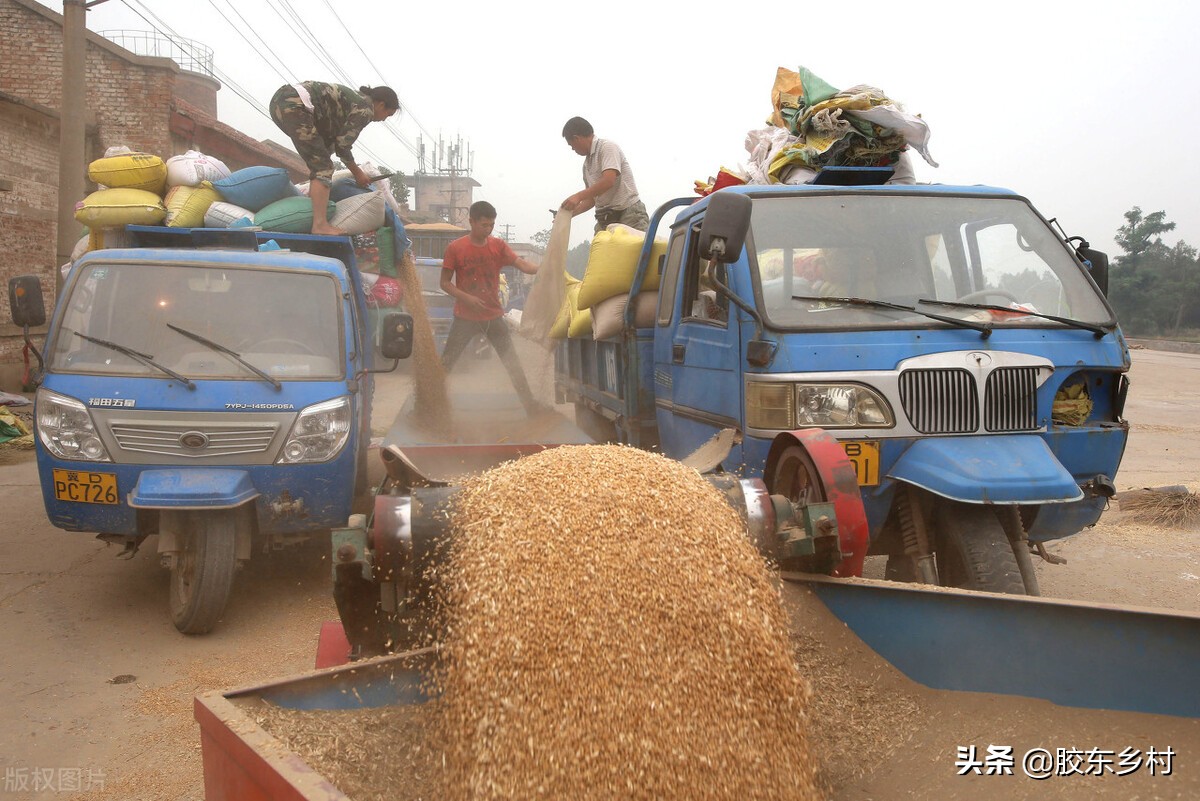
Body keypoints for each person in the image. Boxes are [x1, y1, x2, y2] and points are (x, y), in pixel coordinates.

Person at [440, 201, 550, 417]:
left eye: (491, 225)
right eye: (484, 225)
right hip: (465, 317)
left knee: (513, 365)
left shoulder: (498, 246)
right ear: (471, 221)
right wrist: (467, 298)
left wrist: (545, 268)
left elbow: (522, 264)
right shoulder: (455, 248)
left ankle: (531, 408)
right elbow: (444, 283)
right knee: (445, 365)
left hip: (493, 316)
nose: (488, 229)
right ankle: (428, 407)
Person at [269, 82, 399, 235]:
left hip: (282, 102)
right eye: (387, 115)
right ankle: (320, 225)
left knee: (321, 159)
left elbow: (332, 142)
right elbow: (343, 146)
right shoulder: (365, 108)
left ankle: (313, 211)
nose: (384, 120)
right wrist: (358, 173)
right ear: (381, 105)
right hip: (295, 105)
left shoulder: (354, 100)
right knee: (323, 167)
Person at [560, 116, 649, 233]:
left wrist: (578, 196)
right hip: (605, 218)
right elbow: (591, 199)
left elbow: (608, 181)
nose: (573, 149)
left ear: (577, 138)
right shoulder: (587, 165)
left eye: (571, 145)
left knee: (632, 249)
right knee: (601, 250)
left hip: (629, 213)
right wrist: (569, 213)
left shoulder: (607, 147)